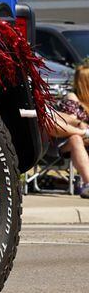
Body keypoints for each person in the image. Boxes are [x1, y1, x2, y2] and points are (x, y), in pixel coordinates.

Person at [45, 62, 89, 198]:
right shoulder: (73, 98)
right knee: (76, 139)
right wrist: (83, 128)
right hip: (64, 143)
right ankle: (88, 183)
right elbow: (72, 122)